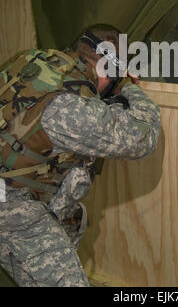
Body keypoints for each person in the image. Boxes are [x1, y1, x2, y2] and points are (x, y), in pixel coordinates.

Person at [0, 24, 161, 287]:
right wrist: (132, 89)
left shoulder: (34, 60)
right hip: (12, 209)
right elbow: (144, 138)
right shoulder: (73, 108)